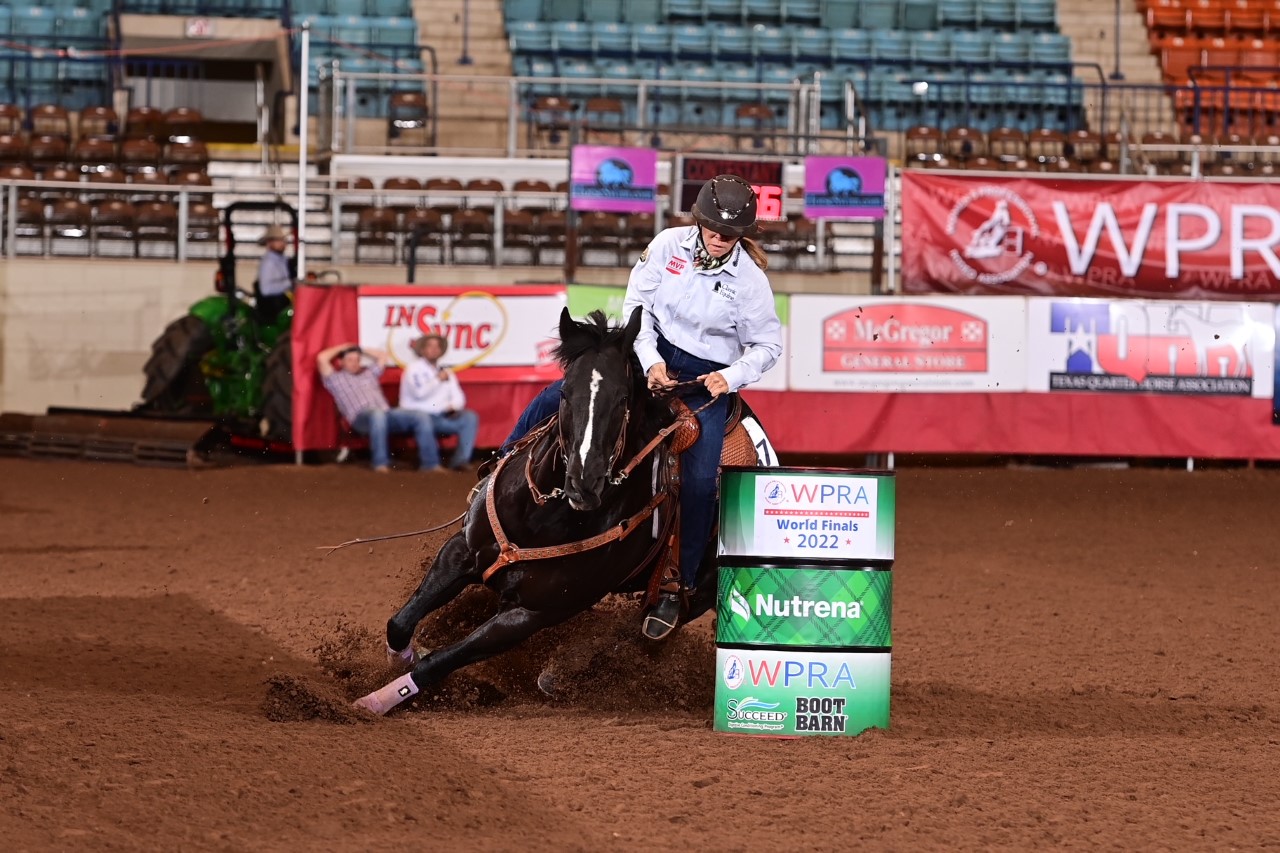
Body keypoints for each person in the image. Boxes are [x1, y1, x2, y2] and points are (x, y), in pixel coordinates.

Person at [501, 174, 783, 640]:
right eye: (714, 227)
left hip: (705, 384)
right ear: (700, 220)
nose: (720, 237)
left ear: (742, 235)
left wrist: (728, 377)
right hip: (652, 355)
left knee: (697, 481)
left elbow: (768, 345)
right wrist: (649, 361)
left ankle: (678, 584)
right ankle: (502, 464)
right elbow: (639, 307)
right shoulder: (668, 245)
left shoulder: (751, 283)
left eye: (730, 233)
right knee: (561, 396)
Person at [316, 342, 444, 473]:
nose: (354, 363)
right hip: (361, 418)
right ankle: (380, 463)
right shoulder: (335, 379)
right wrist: (343, 348)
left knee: (420, 416)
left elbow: (383, 356)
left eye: (357, 360)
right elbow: (322, 358)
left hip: (387, 414)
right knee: (377, 414)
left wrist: (361, 349)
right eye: (350, 360)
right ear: (341, 362)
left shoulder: (369, 374)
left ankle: (431, 464)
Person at [398, 333, 480, 471]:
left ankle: (460, 461)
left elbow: (459, 396)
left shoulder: (446, 372)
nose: (434, 349)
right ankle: (430, 464)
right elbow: (419, 393)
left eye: (437, 346)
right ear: (422, 350)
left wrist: (454, 406)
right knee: (422, 418)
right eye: (430, 346)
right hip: (415, 415)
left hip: (441, 415)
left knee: (470, 417)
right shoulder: (414, 369)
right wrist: (437, 380)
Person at [255, 224, 294, 325]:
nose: (283, 243)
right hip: (275, 307)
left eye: (283, 240)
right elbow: (266, 290)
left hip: (284, 302)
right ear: (269, 243)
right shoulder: (268, 263)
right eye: (279, 240)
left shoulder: (282, 260)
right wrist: (290, 283)